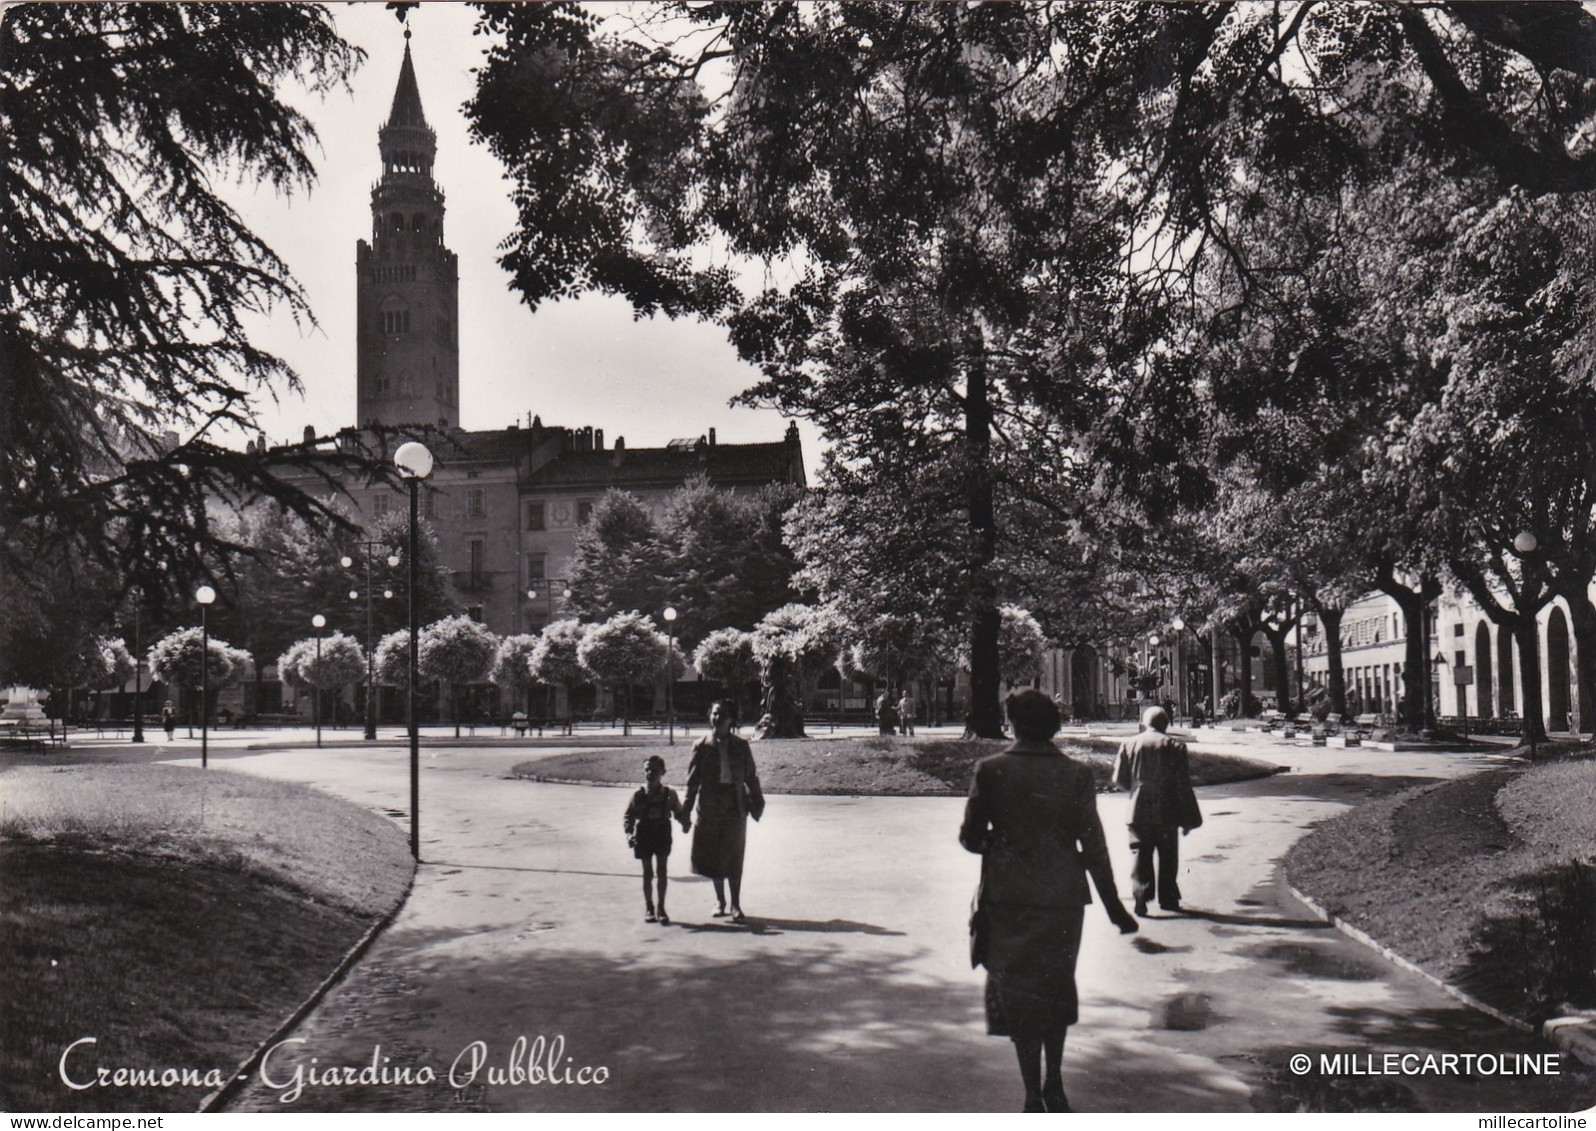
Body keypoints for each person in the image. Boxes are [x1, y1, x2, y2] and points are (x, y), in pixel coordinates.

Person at [961, 689, 1138, 1113]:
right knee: (1055, 987)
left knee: (1019, 993)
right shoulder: (1075, 775)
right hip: (1062, 898)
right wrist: (1115, 908)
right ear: (1054, 724)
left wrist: (1001, 844)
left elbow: (969, 838)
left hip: (1008, 898)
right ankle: (1055, 1083)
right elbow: (1094, 848)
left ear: (1011, 722)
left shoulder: (990, 770)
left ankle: (1030, 1093)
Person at [1111, 705, 1202, 917]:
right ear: (1166, 725)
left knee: (1140, 852)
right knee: (1168, 854)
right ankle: (1168, 898)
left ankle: (1140, 896)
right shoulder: (1176, 747)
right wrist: (1190, 819)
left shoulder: (1128, 744)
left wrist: (1134, 790)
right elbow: (1183, 785)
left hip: (1138, 808)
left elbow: (1118, 779)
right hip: (1167, 809)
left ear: (1144, 723)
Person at [683, 700, 764, 922]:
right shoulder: (700, 747)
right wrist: (685, 812)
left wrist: (757, 802)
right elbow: (692, 783)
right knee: (714, 855)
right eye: (714, 714)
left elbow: (751, 777)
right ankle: (720, 901)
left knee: (734, 855)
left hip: (734, 806)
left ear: (730, 720)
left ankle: (736, 904)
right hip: (709, 806)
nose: (717, 719)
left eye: (722, 715)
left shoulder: (741, 746)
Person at [624, 754, 690, 924]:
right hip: (644, 832)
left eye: (654, 770)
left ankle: (661, 907)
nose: (650, 774)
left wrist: (685, 823)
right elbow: (629, 815)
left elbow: (678, 812)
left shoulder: (669, 794)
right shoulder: (638, 795)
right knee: (647, 872)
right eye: (647, 770)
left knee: (662, 871)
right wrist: (629, 834)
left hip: (662, 831)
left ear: (663, 772)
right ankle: (649, 907)